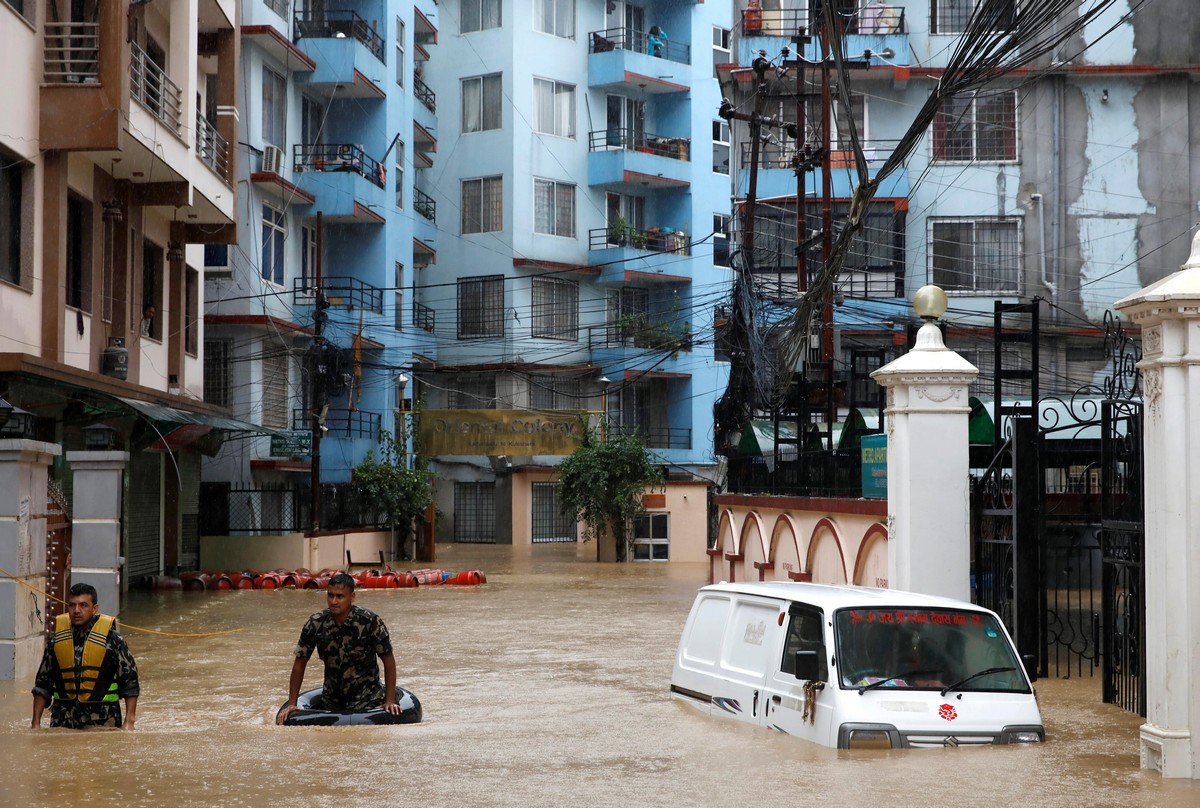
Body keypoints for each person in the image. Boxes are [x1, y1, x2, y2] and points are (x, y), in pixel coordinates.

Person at [276, 572, 402, 724]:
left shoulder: (370, 622)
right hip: (331, 702)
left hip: (367, 701)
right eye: (330, 595)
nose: (334, 601)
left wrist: (389, 700)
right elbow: (299, 663)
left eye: (340, 596)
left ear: (352, 597)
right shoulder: (316, 623)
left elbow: (388, 660)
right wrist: (292, 704)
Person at [31, 583, 139, 730]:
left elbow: (130, 681)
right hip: (63, 723)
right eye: (72, 605)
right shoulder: (55, 641)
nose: (76, 610)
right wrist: (35, 724)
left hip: (104, 722)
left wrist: (129, 721)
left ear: (94, 608)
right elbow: (42, 684)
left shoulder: (113, 640)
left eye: (83, 605)